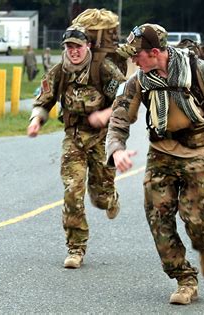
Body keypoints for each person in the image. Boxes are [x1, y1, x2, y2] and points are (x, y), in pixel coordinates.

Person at [107, 24, 204, 305]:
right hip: (161, 153)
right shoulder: (140, 80)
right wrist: (116, 148)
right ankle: (185, 280)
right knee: (158, 218)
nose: (133, 61)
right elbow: (119, 116)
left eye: (137, 55)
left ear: (156, 52)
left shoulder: (201, 72)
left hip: (198, 152)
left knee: (197, 222)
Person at [27, 25, 126, 269]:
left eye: (77, 47)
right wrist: (36, 121)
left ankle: (110, 197)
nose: (73, 52)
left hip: (102, 137)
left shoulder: (103, 68)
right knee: (72, 190)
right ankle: (76, 248)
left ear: (88, 46)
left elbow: (127, 97)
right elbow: (44, 99)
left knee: (100, 198)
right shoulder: (59, 71)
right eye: (69, 47)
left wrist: (105, 113)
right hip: (74, 138)